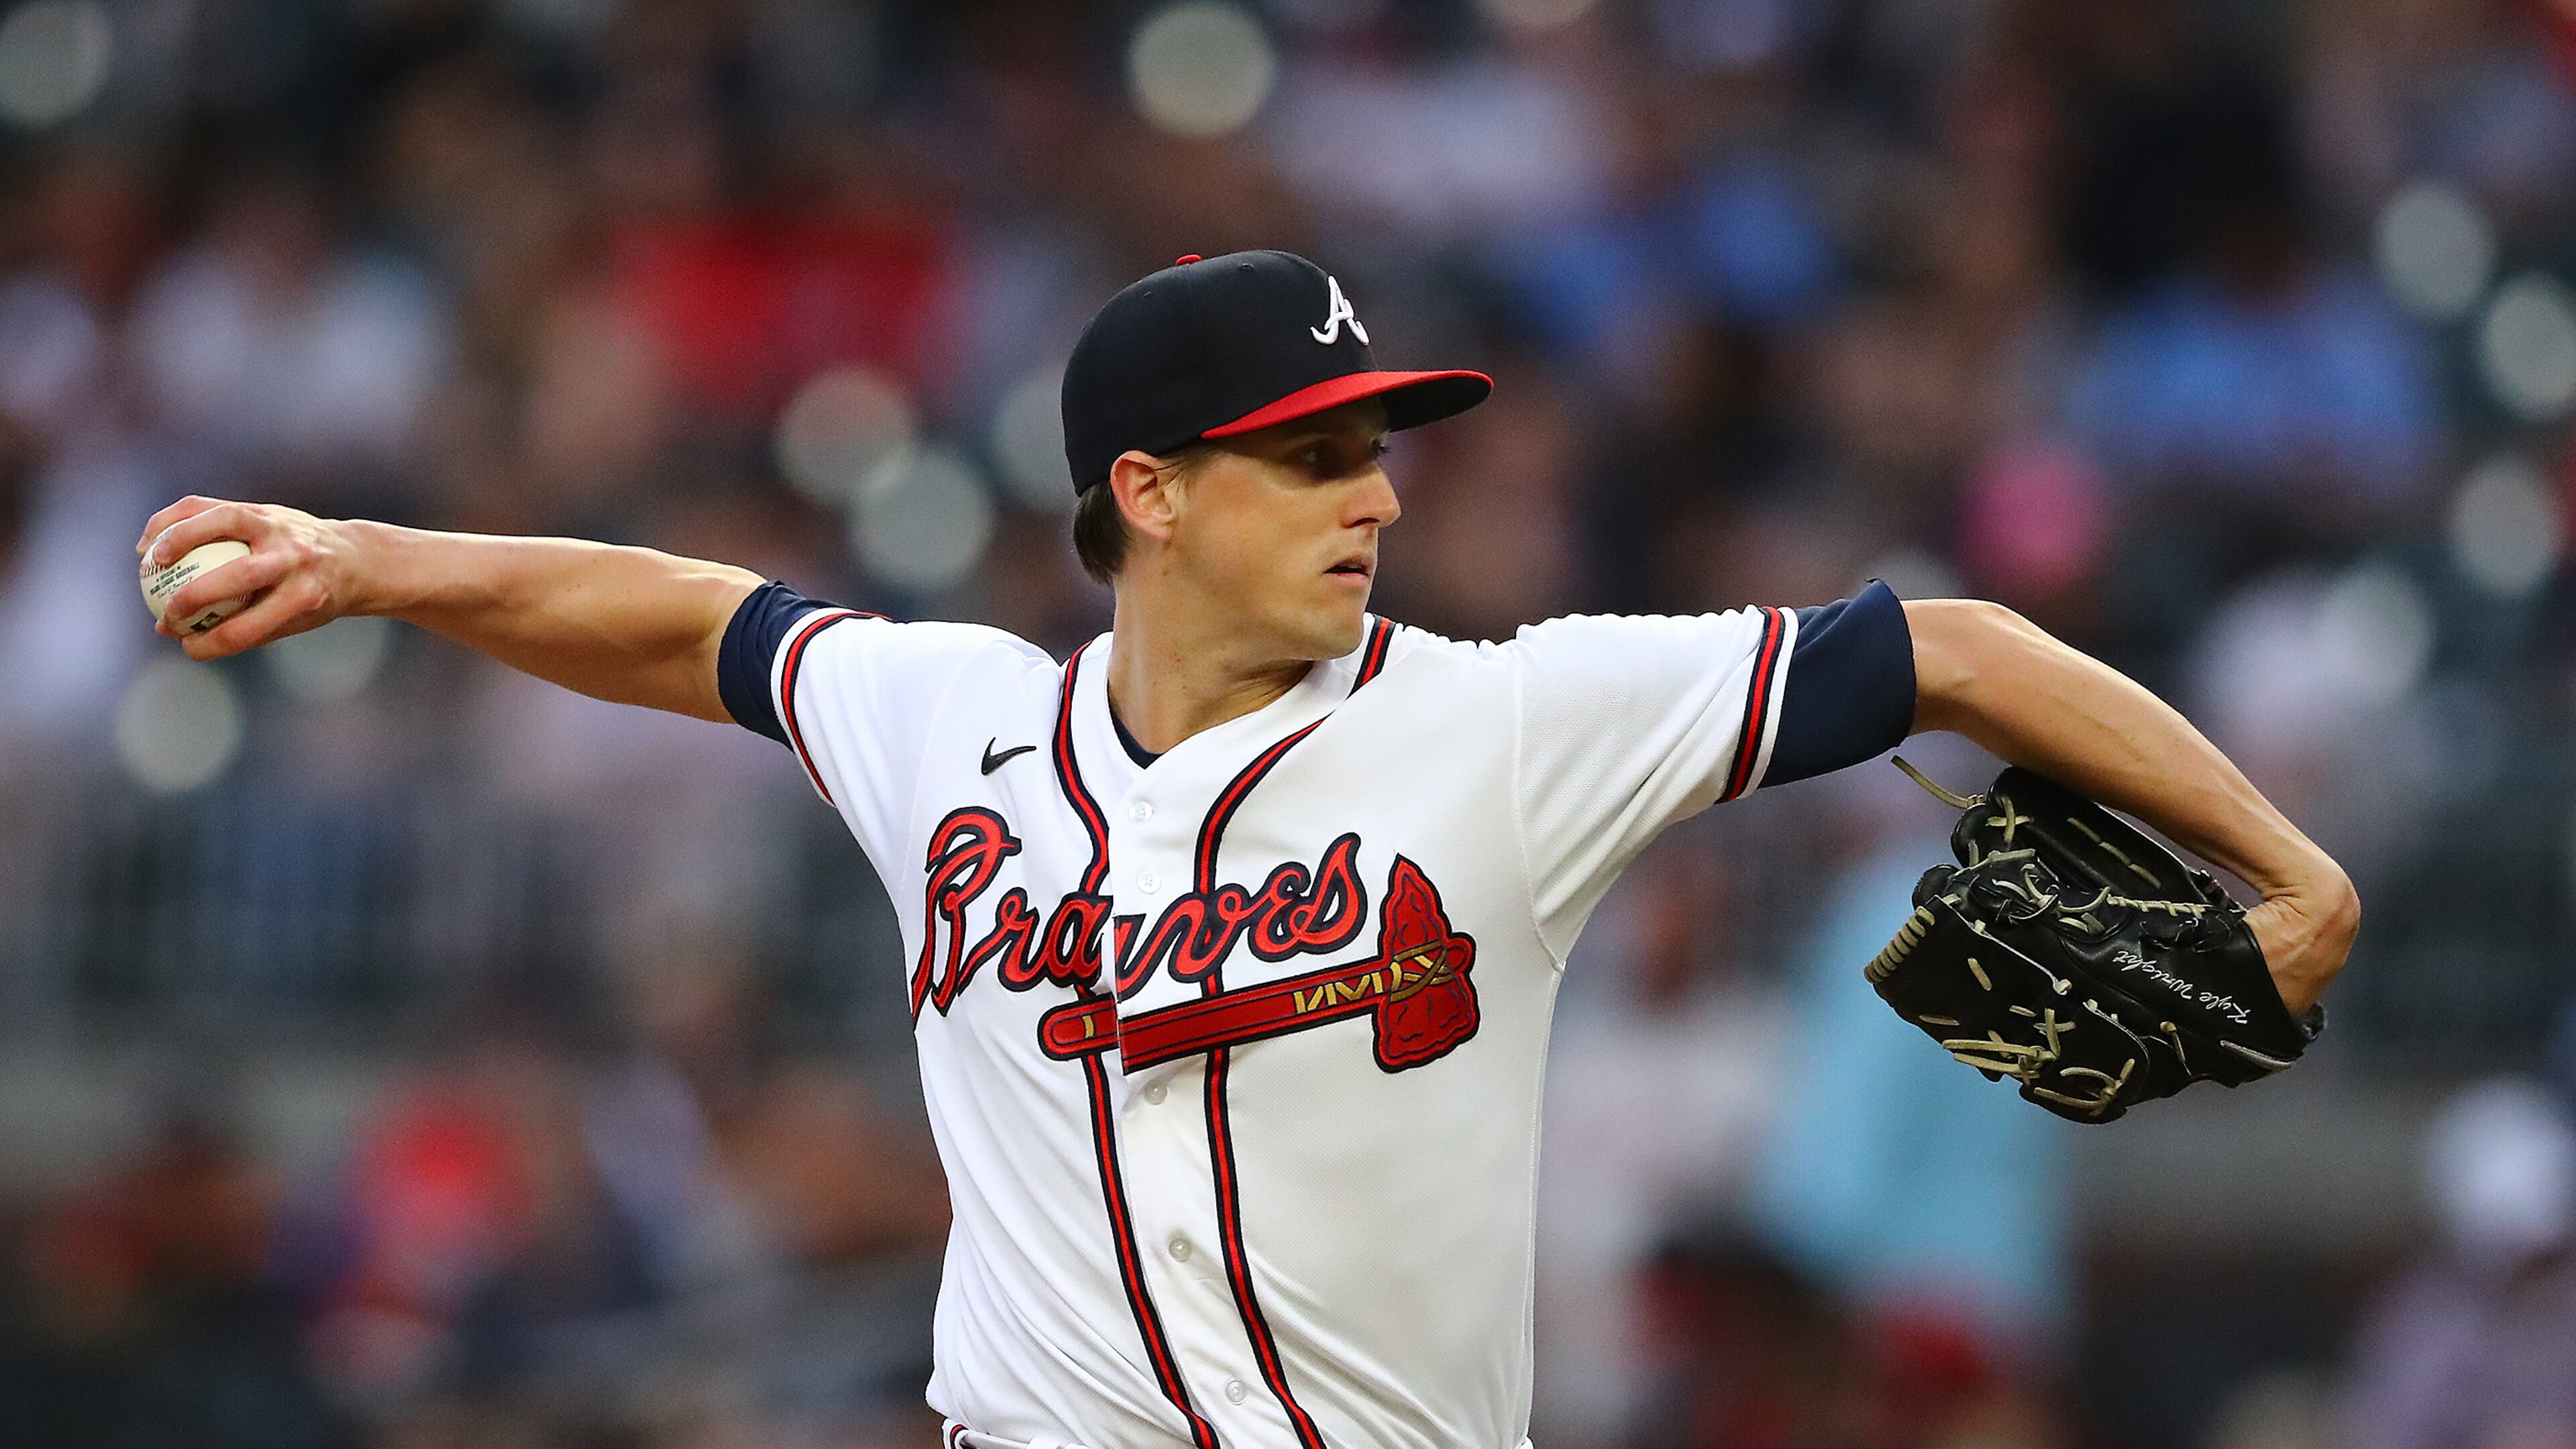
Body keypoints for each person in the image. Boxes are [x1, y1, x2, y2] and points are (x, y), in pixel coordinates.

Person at [136, 250, 2358, 1449]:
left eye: (1376, 447)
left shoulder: (1507, 725)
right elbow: (691, 622)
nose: (1376, 494)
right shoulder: (951, 723)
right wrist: (374, 559)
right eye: (1308, 459)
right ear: (1152, 495)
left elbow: (1953, 650)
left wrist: (2288, 869)